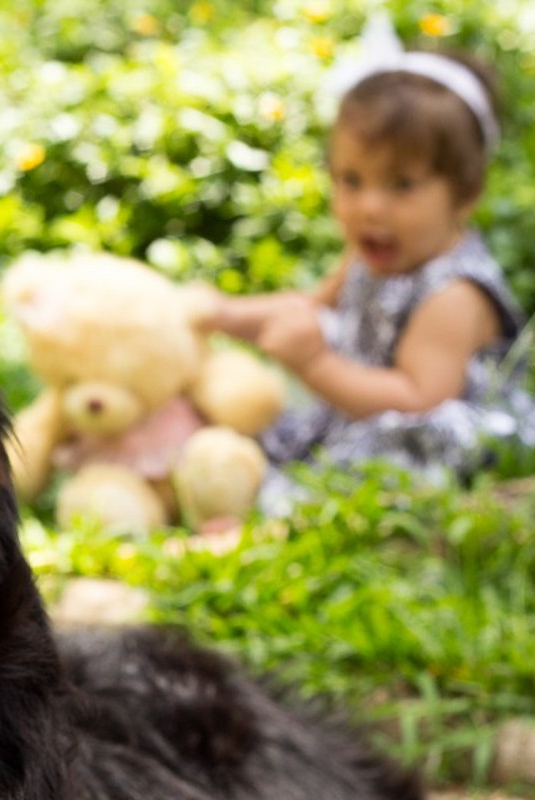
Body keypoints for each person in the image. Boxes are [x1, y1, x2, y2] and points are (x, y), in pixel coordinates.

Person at [194, 16, 535, 513]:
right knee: (258, 417)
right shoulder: (370, 251)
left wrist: (316, 364)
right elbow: (310, 305)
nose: (369, 207)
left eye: (401, 185)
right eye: (351, 181)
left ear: (466, 193)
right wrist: (224, 314)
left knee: (384, 457)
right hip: (359, 409)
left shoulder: (454, 294)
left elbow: (420, 400)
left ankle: (281, 514)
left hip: (423, 433)